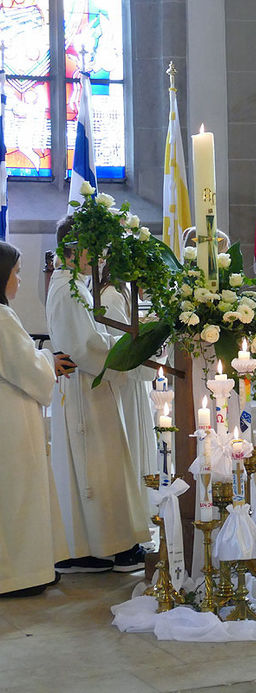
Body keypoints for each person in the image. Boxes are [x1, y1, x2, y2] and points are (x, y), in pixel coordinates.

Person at [46, 217, 151, 573]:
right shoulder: (66, 288)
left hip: (93, 386)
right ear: (72, 249)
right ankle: (113, 547)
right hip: (85, 391)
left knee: (102, 467)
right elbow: (85, 345)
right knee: (100, 469)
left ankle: (95, 546)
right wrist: (131, 351)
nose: (101, 255)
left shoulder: (76, 284)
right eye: (95, 246)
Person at [0, 242, 72, 597]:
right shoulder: (1, 317)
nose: (19, 281)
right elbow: (25, 367)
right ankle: (19, 575)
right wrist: (49, 361)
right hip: (10, 418)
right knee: (17, 493)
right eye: (16, 273)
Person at [99, 265, 158, 487]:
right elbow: (124, 346)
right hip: (125, 382)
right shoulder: (112, 296)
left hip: (132, 383)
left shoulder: (120, 291)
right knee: (132, 441)